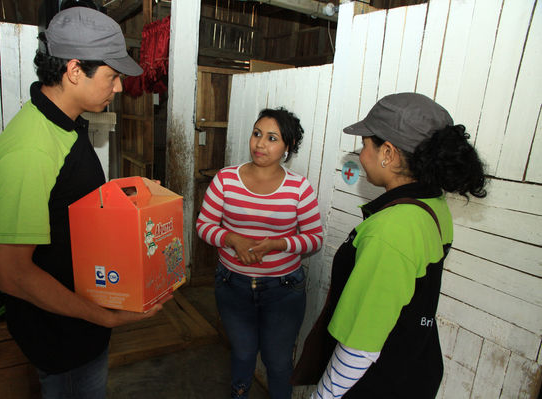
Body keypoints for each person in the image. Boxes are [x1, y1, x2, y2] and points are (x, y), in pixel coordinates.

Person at [0, 7, 170, 399]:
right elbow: (12, 273)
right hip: (62, 331)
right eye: (112, 76)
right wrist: (107, 317)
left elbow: (67, 205)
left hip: (78, 315)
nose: (116, 88)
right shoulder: (32, 146)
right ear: (75, 70)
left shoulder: (65, 123)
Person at [294, 93, 486, 398]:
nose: (361, 154)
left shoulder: (392, 229)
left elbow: (361, 345)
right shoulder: (432, 205)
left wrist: (323, 395)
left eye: (365, 144)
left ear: (388, 153)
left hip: (378, 381)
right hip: (414, 366)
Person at [196, 108, 324, 399]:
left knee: (278, 362)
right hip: (233, 284)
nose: (260, 144)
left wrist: (278, 244)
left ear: (287, 147)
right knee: (242, 354)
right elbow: (204, 226)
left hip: (284, 289)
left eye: (271, 138)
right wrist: (231, 238)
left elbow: (314, 239)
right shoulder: (226, 179)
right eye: (257, 134)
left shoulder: (299, 188)